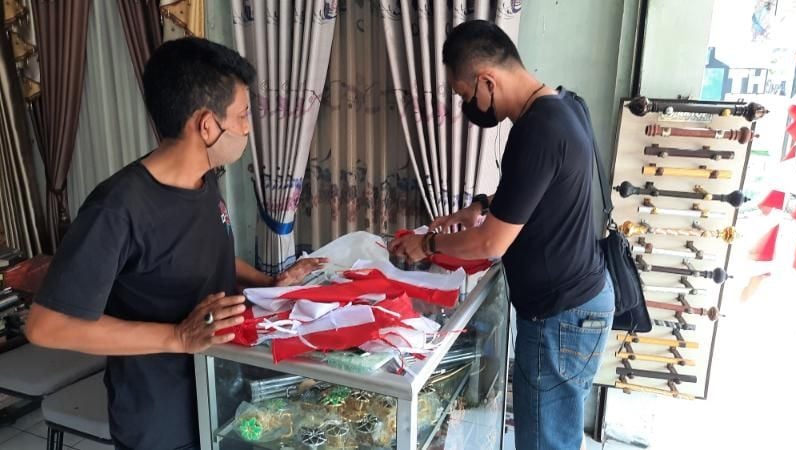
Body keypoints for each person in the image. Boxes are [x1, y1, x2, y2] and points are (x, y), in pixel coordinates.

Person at [25, 37, 326, 450]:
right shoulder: (118, 209)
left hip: (218, 393)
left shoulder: (205, 179)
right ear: (206, 126)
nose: (246, 128)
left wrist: (266, 282)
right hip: (162, 420)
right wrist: (176, 338)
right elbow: (46, 326)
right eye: (241, 116)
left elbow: (199, 254)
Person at [389, 20, 614, 449]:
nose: (467, 106)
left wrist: (426, 244)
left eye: (464, 94)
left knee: (545, 441)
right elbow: (539, 189)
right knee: (553, 435)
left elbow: (491, 242)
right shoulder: (563, 105)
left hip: (560, 315)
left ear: (487, 80)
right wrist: (479, 207)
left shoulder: (536, 131)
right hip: (576, 305)